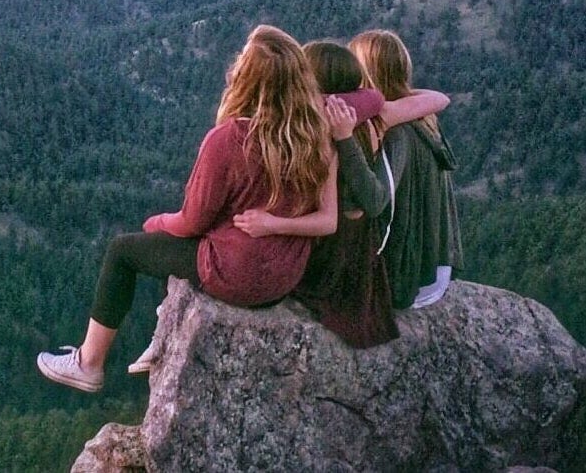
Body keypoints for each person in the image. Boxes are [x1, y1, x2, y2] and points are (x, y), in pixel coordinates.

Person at [36, 24, 338, 393]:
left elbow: (192, 222)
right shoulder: (318, 134)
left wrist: (158, 222)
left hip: (238, 275)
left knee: (124, 251)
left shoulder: (229, 140)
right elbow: (328, 218)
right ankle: (164, 330)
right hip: (285, 275)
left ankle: (89, 363)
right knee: (176, 251)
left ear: (246, 79)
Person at [231, 41, 450, 348]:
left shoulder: (331, 125)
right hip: (352, 242)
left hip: (339, 250)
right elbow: (439, 98)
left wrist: (345, 138)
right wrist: (374, 100)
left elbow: (372, 201)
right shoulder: (372, 116)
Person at [348, 30, 463, 309]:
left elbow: (375, 203)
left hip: (408, 278)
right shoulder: (424, 119)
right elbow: (438, 97)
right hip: (437, 267)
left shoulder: (396, 134)